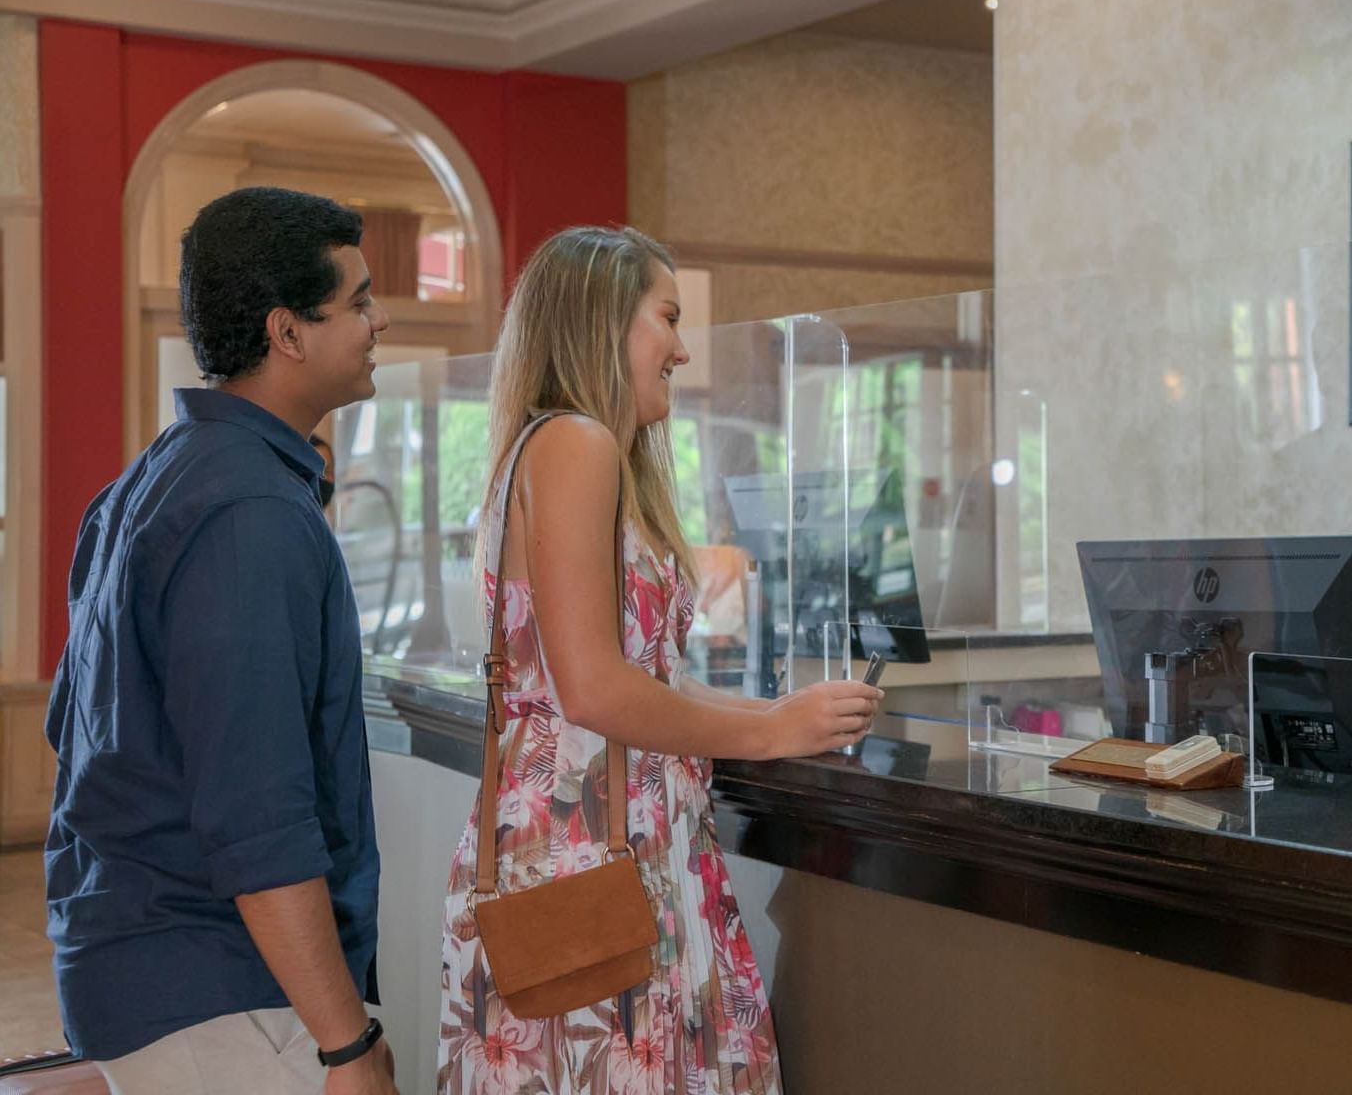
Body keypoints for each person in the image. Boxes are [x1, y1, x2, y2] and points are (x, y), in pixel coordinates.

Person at [437, 226, 882, 1094]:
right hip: (588, 858)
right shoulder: (576, 444)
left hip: (605, 844)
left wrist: (781, 715)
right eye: (667, 319)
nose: (680, 349)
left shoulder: (563, 447)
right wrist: (768, 733)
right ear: (604, 321)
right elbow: (595, 687)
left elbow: (636, 676)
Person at [44, 187, 398, 1095]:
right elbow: (257, 817)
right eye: (356, 301)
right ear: (287, 332)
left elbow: (71, 728)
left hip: (142, 966)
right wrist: (346, 1044)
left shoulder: (155, 476)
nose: (377, 321)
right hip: (219, 989)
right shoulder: (248, 513)